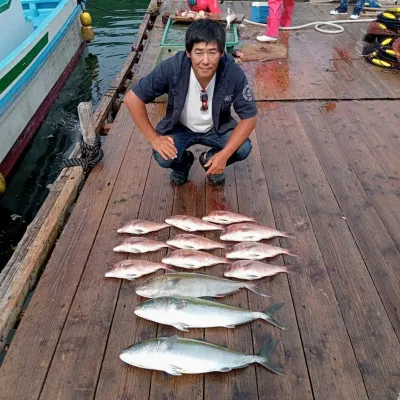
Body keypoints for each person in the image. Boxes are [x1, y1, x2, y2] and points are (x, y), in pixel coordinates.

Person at [124, 19, 257, 186]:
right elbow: (132, 99)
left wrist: (224, 155)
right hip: (180, 127)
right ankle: (183, 165)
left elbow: (250, 117)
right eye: (199, 52)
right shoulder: (173, 67)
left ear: (222, 52)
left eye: (213, 52)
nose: (206, 61)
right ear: (188, 52)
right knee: (162, 156)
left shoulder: (232, 72)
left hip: (216, 128)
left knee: (243, 148)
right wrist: (155, 139)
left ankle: (210, 161)